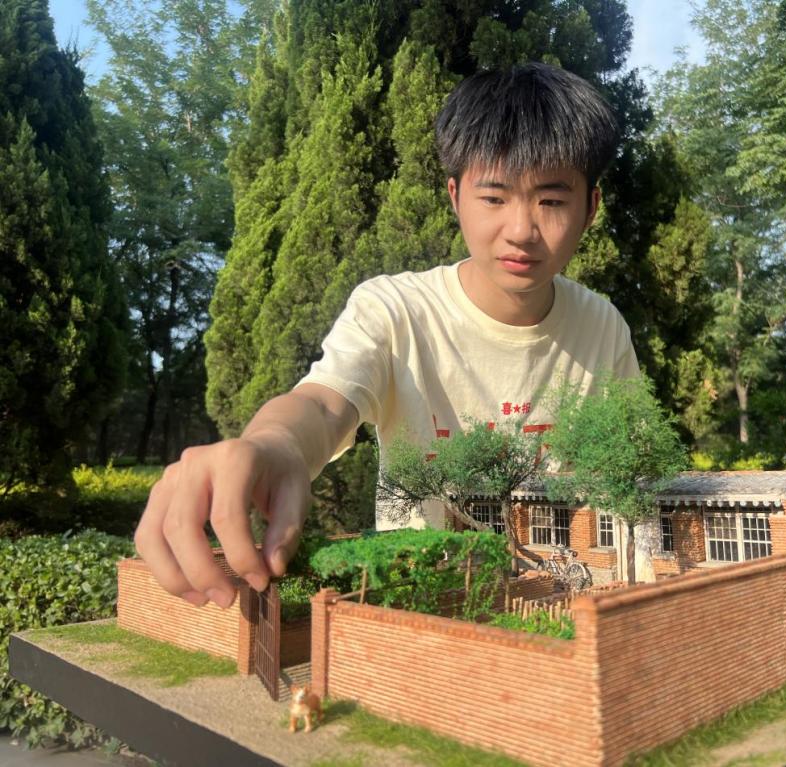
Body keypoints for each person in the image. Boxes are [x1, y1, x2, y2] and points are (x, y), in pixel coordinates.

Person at [134, 62, 640, 609]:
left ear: (590, 208)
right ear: (455, 196)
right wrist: (274, 444)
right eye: (494, 198)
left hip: (556, 608)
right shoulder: (395, 311)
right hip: (422, 601)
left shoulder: (603, 326)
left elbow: (632, 473)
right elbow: (325, 404)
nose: (521, 230)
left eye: (552, 200)